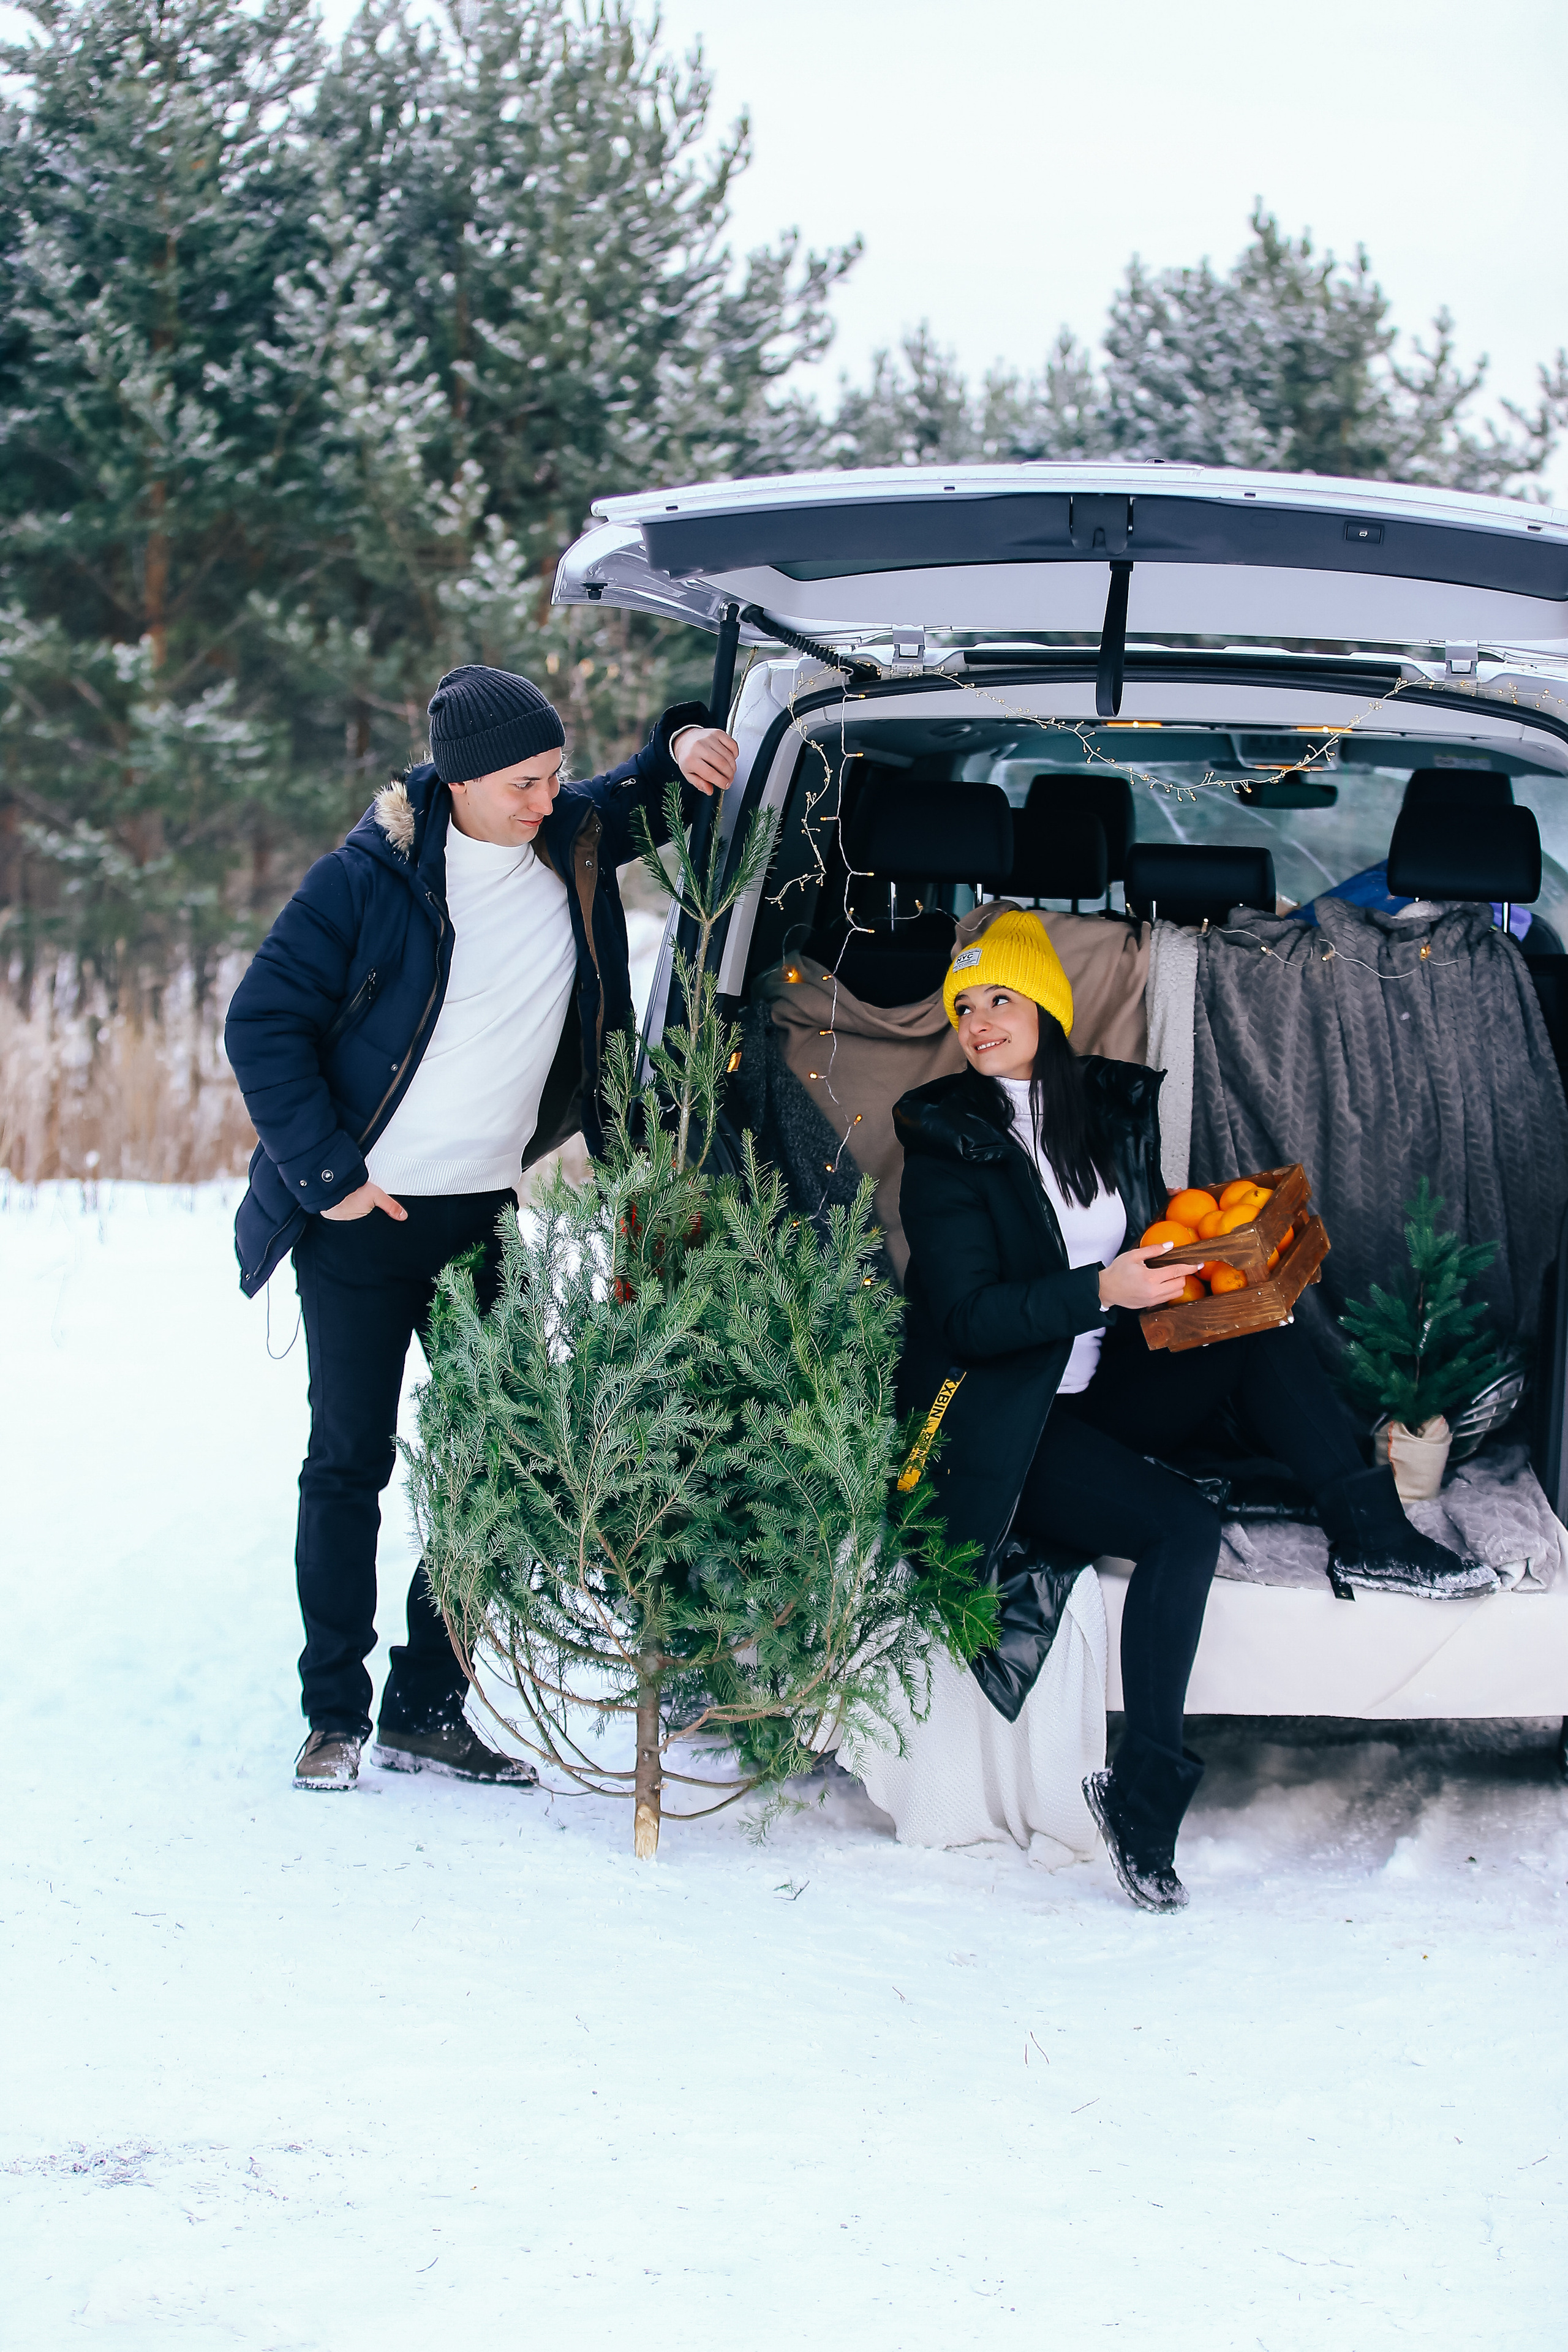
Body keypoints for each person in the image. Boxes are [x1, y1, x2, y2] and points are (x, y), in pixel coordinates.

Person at [892, 909, 1489, 1913]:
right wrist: (1101, 1291)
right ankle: (1143, 1793)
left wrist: (1213, 1259)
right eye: (965, 1005)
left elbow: (1155, 1232)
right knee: (1181, 1527)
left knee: (1256, 1324)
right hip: (1011, 1422)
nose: (981, 1020)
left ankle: (1370, 1531)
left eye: (1001, 996)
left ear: (1046, 1003)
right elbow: (967, 1316)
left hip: (1110, 1380)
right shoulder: (947, 1141)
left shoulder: (1103, 1110)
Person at [225, 665, 736, 1792]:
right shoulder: (365, 881)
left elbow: (656, 780)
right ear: (458, 781)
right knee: (347, 1465)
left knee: (490, 1463)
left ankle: (426, 1705)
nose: (547, 797)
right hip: (361, 1222)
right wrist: (331, 1178)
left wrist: (692, 737)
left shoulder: (572, 838)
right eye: (523, 782)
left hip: (482, 1220)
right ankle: (333, 1714)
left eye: (555, 774)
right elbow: (262, 1021)